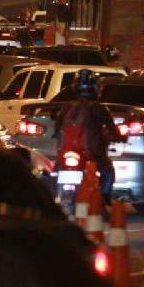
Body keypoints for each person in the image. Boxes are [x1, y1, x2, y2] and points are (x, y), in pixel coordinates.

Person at [53, 68, 119, 203]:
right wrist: (118, 137)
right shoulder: (99, 108)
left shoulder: (66, 107)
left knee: (54, 172)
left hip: (65, 152)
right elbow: (113, 130)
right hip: (91, 153)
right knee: (108, 172)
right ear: (96, 88)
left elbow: (57, 128)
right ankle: (104, 200)